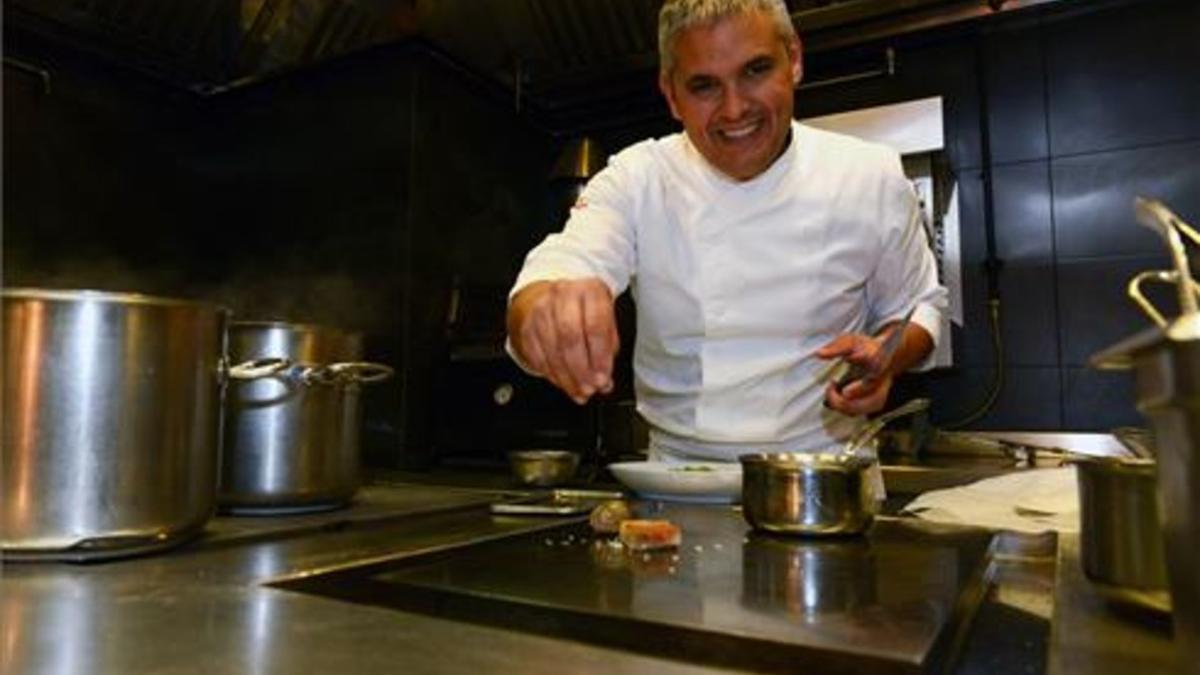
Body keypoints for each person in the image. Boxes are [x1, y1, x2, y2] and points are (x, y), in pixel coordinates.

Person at [506, 0, 947, 463]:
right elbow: (557, 271)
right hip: (675, 486)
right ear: (671, 95)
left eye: (755, 70)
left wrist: (887, 355)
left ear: (793, 59)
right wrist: (543, 311)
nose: (735, 109)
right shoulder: (638, 178)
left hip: (826, 481)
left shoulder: (868, 175)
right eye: (704, 86)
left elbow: (919, 308)